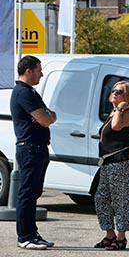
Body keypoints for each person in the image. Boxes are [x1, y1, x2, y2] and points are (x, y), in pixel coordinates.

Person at [10, 55, 57, 250]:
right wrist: (46, 116)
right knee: (28, 193)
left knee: (34, 192)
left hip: (37, 147)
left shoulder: (30, 92)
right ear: (28, 71)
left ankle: (32, 233)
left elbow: (49, 115)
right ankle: (25, 236)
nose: (42, 74)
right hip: (29, 147)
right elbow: (46, 119)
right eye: (39, 70)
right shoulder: (23, 92)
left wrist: (47, 116)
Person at [93, 81, 129, 250]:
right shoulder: (114, 112)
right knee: (101, 197)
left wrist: (120, 108)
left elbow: (117, 126)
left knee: (119, 199)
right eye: (113, 90)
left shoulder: (125, 112)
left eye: (119, 91)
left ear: (127, 96)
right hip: (107, 161)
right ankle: (109, 234)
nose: (115, 93)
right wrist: (116, 109)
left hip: (120, 161)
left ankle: (121, 237)